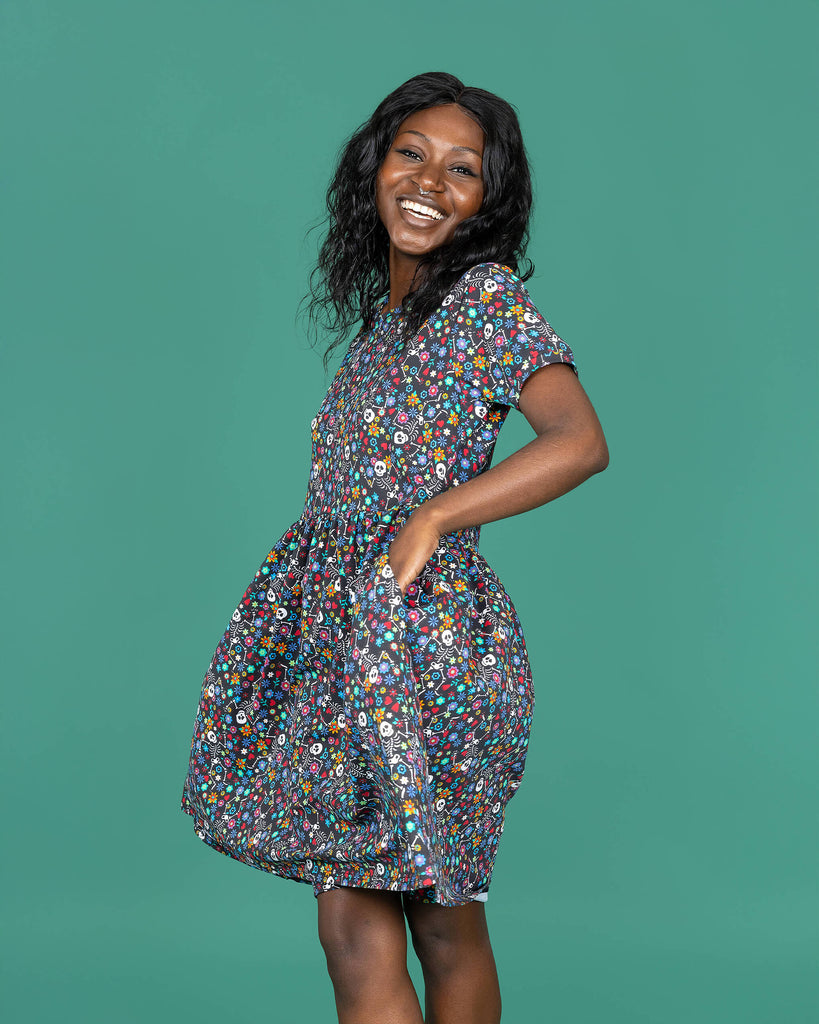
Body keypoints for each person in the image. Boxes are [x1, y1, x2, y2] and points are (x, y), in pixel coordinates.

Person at [180, 71, 609, 1024]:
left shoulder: (484, 302)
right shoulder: (386, 325)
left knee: (438, 921)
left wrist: (430, 518)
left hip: (427, 643)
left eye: (464, 169)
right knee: (364, 923)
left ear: (488, 200)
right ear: (373, 167)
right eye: (411, 153)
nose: (429, 181)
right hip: (349, 640)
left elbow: (579, 442)